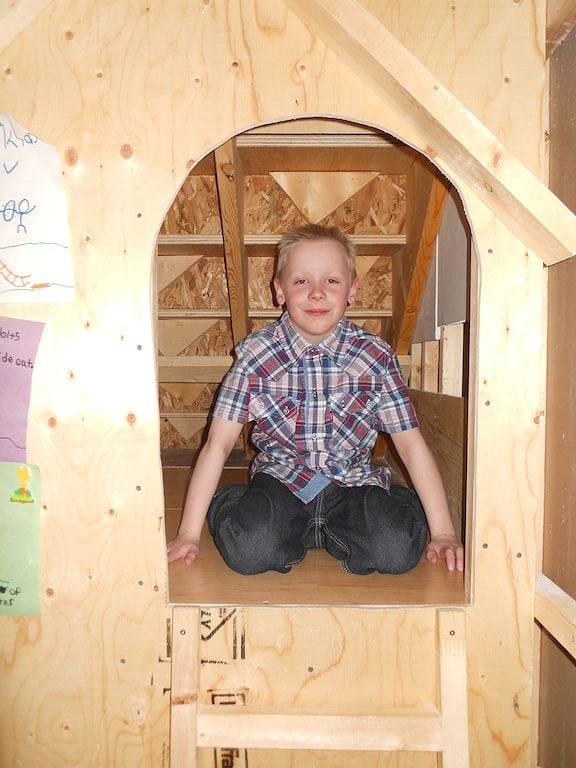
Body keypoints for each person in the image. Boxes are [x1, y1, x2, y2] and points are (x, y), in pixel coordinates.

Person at [167, 224, 464, 574]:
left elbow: (411, 445)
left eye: (332, 281)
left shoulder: (376, 357)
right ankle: (235, 505)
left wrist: (443, 531)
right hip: (281, 482)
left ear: (353, 290)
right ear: (280, 291)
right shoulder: (254, 357)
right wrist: (188, 533)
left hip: (354, 484)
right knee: (250, 550)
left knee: (396, 550)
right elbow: (217, 445)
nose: (317, 293)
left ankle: (381, 508)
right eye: (301, 281)